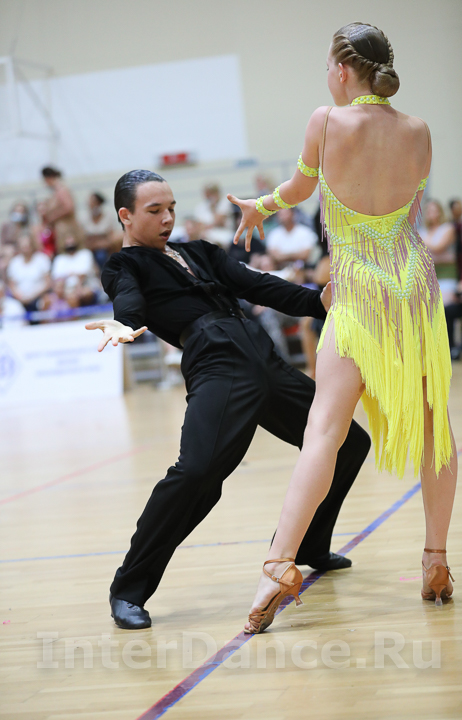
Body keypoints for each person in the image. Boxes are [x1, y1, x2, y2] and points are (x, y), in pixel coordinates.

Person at [228, 22, 457, 634]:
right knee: (435, 427)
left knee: (324, 430)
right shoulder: (419, 130)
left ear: (340, 69)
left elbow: (301, 188)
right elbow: (407, 213)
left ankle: (278, 565)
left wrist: (259, 207)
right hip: (414, 288)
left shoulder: (327, 121)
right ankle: (436, 561)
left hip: (359, 292)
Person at [86, 169, 371, 630]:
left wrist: (318, 302)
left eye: (171, 208)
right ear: (126, 215)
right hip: (217, 362)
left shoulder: (200, 251)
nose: (167, 218)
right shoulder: (124, 266)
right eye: (154, 210)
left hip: (261, 355)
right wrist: (123, 323)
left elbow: (257, 285)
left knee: (350, 442)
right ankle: (128, 589)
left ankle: (308, 545)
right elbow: (129, 300)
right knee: (197, 473)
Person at [419, 200, 456, 304]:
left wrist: (421, 240)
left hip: (446, 275)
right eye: (428, 211)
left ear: (440, 212)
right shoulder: (423, 231)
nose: (430, 213)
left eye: (433, 210)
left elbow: (439, 248)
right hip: (427, 277)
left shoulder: (447, 228)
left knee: (443, 305)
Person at [7, 233, 51, 317]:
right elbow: (11, 285)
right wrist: (20, 297)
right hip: (19, 300)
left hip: (39, 297)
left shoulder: (42, 259)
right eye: (23, 246)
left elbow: (48, 282)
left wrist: (32, 296)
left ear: (32, 245)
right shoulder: (14, 262)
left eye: (27, 246)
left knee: (45, 303)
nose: (25, 249)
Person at [51, 232, 99, 307]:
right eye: (67, 242)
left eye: (72, 242)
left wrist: (77, 290)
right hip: (66, 289)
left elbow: (83, 275)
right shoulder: (59, 259)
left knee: (83, 294)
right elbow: (57, 279)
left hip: (85, 286)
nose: (70, 245)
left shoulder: (85, 254)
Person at [41, 166, 82, 252]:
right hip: (61, 230)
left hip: (67, 230)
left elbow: (69, 207)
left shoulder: (62, 190)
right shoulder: (55, 192)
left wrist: (52, 217)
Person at [83, 192, 116, 269]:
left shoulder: (108, 218)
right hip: (89, 248)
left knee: (101, 255)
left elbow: (111, 237)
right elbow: (83, 238)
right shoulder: (85, 219)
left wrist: (99, 243)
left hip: (105, 249)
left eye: (94, 203)